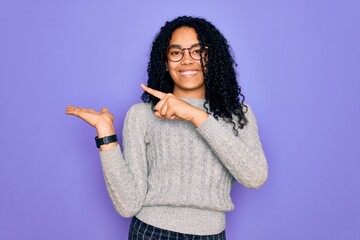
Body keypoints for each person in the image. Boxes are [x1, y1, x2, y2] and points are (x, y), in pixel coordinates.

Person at [66, 16, 268, 240]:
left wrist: (196, 116)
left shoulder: (239, 114)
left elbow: (255, 177)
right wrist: (106, 135)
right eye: (176, 52)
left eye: (197, 51)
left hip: (212, 234)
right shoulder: (142, 115)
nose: (187, 60)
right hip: (151, 233)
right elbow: (127, 204)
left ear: (212, 57)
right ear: (165, 61)